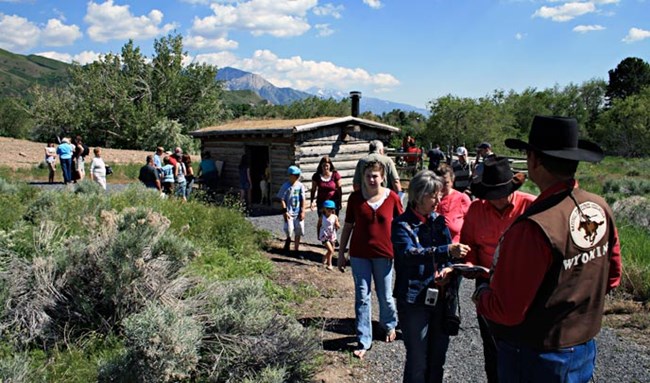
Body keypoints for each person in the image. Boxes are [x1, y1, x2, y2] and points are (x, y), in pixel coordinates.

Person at [473, 116, 622, 383]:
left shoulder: (533, 227)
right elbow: (612, 277)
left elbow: (507, 309)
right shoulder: (599, 207)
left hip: (536, 355)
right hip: (583, 346)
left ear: (535, 160)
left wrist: (481, 293)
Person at [459, 156, 536, 383]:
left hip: (521, 286)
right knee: (492, 345)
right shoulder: (476, 209)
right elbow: (469, 245)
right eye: (492, 195)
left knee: (523, 345)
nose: (497, 200)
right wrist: (469, 265)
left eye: (501, 193)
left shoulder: (530, 206)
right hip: (487, 282)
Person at [392, 170, 471, 382]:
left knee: (437, 359)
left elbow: (448, 258)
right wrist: (445, 251)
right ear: (419, 196)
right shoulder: (401, 224)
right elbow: (408, 254)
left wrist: (449, 269)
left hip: (440, 297)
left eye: (439, 194)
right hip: (414, 299)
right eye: (433, 195)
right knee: (418, 361)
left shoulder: (438, 221)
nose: (439, 199)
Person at [337, 160, 403, 360]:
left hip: (384, 254)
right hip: (359, 255)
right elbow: (348, 226)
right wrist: (341, 253)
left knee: (385, 294)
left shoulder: (392, 197)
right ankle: (364, 339)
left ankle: (389, 325)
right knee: (362, 296)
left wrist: (404, 252)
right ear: (362, 177)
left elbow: (402, 226)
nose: (372, 179)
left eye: (375, 176)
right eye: (368, 176)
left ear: (383, 177)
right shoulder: (356, 198)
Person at [434, 164, 471, 242]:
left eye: (446, 183)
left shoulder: (462, 199)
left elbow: (473, 227)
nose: (442, 186)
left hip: (456, 248)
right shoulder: (429, 199)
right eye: (439, 183)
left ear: (452, 181)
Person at [276, 165, 306, 255]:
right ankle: (288, 240)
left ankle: (296, 249)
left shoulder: (300, 186)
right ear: (290, 175)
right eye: (294, 175)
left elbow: (303, 199)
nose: (296, 176)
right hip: (289, 211)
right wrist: (285, 212)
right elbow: (281, 199)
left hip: (298, 211)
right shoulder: (286, 186)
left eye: (297, 175)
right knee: (289, 228)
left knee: (298, 229)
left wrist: (303, 211)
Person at [317, 199, 340, 270]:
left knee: (332, 249)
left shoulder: (334, 217)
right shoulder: (322, 217)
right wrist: (318, 234)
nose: (329, 210)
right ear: (324, 208)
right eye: (328, 208)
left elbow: (337, 224)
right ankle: (329, 264)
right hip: (324, 235)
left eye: (331, 209)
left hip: (332, 235)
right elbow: (318, 226)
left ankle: (325, 257)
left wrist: (337, 225)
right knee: (331, 250)